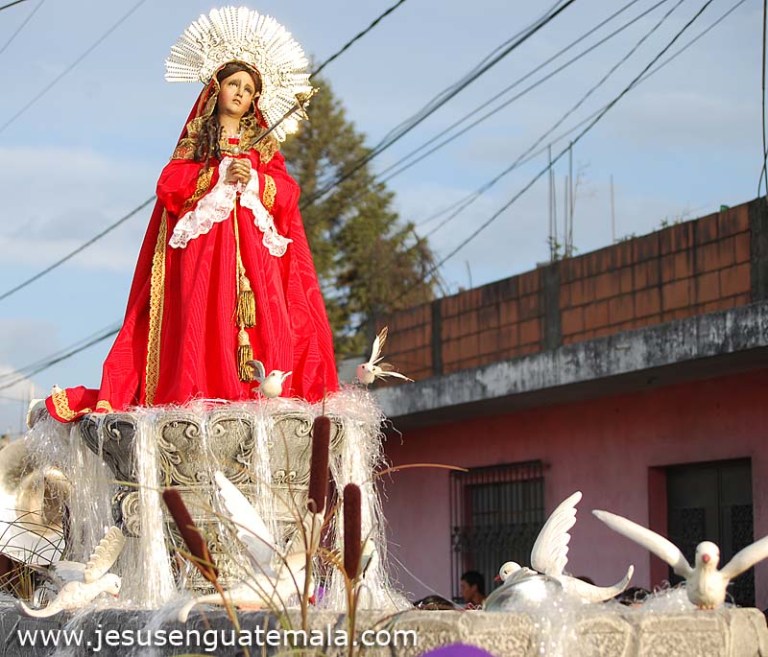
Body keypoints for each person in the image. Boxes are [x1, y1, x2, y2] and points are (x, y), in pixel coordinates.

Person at [46, 8, 339, 423]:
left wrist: (253, 178)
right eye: (233, 83)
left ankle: (262, 393)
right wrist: (219, 173)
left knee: (265, 318)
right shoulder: (196, 143)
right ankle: (202, 389)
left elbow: (288, 194)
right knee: (206, 315)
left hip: (256, 254)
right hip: (206, 251)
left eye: (249, 88)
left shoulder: (264, 148)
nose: (240, 93)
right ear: (216, 87)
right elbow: (169, 185)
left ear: (256, 99)